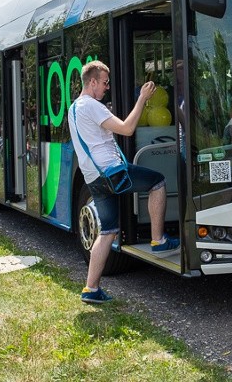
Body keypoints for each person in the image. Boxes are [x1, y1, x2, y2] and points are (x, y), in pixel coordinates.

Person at [68, 60, 179, 304]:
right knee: (157, 182)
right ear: (93, 81)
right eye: (105, 82)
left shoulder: (75, 108)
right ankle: (158, 239)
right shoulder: (93, 106)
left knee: (107, 231)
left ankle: (91, 288)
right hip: (113, 172)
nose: (107, 87)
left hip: (94, 178)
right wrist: (142, 98)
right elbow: (128, 129)